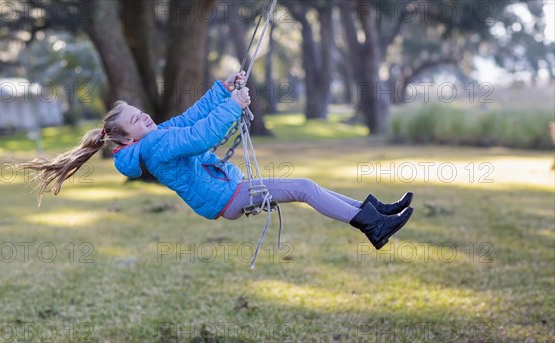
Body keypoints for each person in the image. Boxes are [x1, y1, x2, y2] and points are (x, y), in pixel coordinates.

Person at [20, 71, 414, 250]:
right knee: (305, 188)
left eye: (141, 111)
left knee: (306, 188)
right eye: (136, 119)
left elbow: (190, 119)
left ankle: (372, 213)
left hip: (226, 190)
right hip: (226, 196)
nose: (145, 116)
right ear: (127, 138)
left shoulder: (155, 137)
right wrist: (234, 105)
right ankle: (372, 226)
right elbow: (201, 135)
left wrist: (221, 92)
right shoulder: (156, 148)